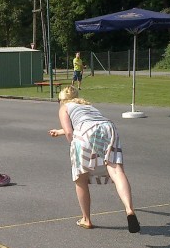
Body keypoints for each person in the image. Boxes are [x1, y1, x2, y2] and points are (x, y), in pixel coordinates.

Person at [48, 86, 140, 233]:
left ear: (61, 99)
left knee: (80, 177)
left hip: (85, 132)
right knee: (116, 171)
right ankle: (129, 210)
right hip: (108, 127)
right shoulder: (86, 105)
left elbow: (70, 132)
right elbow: (89, 124)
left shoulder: (64, 107)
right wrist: (59, 131)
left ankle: (86, 219)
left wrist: (74, 146)